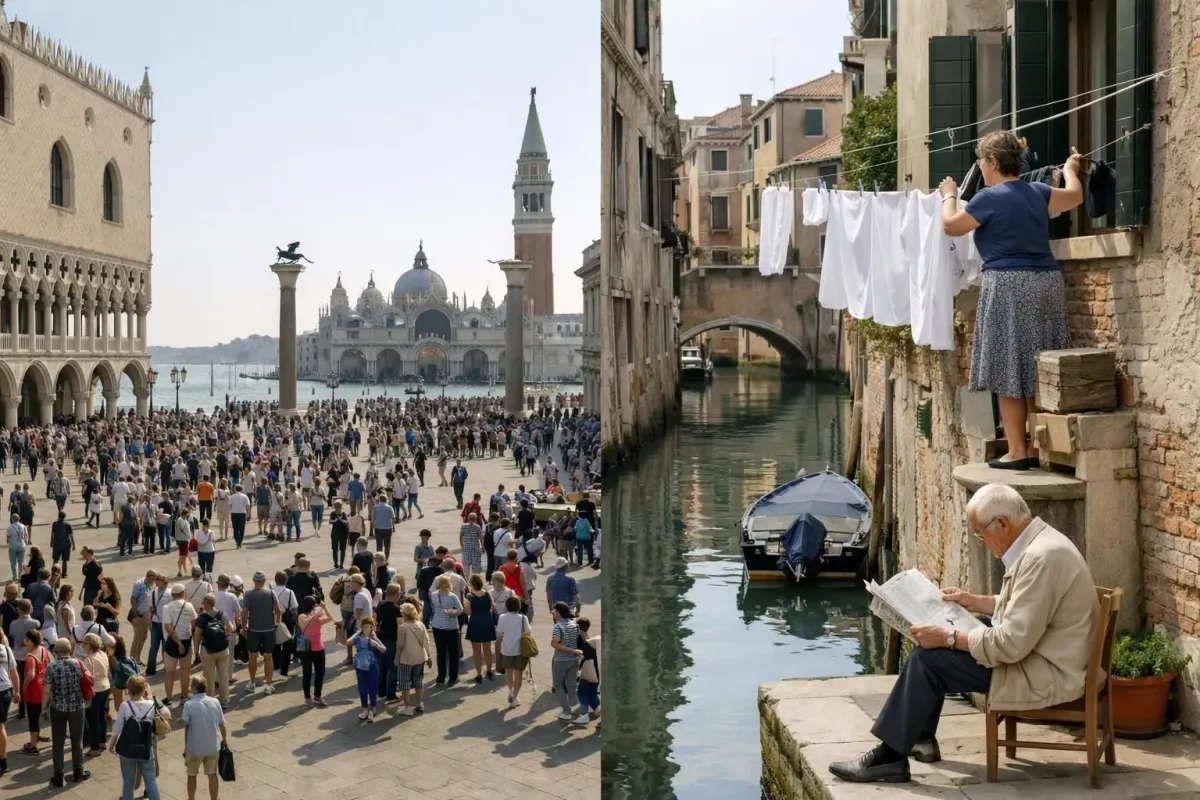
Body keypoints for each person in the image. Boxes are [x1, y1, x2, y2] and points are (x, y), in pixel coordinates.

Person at [828, 484, 1099, 784]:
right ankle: (920, 737)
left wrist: (947, 637)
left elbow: (1010, 645)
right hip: (1040, 652)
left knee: (927, 659)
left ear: (1003, 523)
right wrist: (973, 601)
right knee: (933, 650)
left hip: (1043, 669)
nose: (982, 542)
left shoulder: (1039, 559)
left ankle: (891, 757)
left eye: (981, 533)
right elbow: (1029, 609)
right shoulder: (1042, 542)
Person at [940, 132, 1084, 470]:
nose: (981, 168)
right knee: (1035, 367)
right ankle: (1037, 447)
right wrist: (1070, 168)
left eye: (982, 162)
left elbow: (951, 226)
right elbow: (1075, 196)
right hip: (1046, 283)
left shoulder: (988, 198)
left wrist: (950, 196)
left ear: (991, 163)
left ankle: (1018, 451)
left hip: (1007, 283)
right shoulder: (1038, 192)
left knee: (1008, 367)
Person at [109, 674, 165, 800]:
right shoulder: (151, 705)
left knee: (128, 782)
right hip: (146, 747)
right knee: (150, 779)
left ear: (128, 690)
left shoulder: (125, 706)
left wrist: (112, 745)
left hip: (127, 749)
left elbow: (117, 728)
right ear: (144, 689)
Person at [43, 638, 90, 787]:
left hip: (58, 707)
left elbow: (46, 690)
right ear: (70, 650)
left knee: (58, 742)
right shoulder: (79, 663)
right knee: (77, 741)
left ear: (56, 652)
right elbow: (88, 679)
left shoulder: (51, 667)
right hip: (77, 707)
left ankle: (58, 776)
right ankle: (78, 772)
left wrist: (43, 708)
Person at [181, 676, 228, 800]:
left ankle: (191, 798)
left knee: (191, 775)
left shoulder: (188, 704)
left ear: (194, 689)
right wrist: (225, 740)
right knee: (212, 774)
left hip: (194, 747)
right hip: (213, 745)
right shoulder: (215, 702)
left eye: (191, 686)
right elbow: (222, 724)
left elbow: (185, 723)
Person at [240, 571, 280, 694]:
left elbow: (244, 612)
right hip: (269, 630)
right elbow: (278, 610)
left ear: (254, 580)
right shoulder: (271, 593)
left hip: (253, 630)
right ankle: (268, 685)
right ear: (263, 581)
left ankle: (252, 683)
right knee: (268, 657)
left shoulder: (248, 594)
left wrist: (243, 626)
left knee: (253, 656)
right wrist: (276, 622)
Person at [193, 594, 234, 709]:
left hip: (208, 651)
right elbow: (231, 628)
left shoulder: (201, 618)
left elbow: (197, 636)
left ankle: (210, 700)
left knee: (208, 677)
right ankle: (224, 700)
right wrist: (225, 634)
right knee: (223, 675)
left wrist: (196, 651)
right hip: (222, 650)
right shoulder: (221, 614)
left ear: (206, 604)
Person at [162, 583, 198, 706]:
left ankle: (169, 698)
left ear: (172, 595)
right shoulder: (189, 606)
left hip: (172, 642)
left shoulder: (167, 608)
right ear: (183, 593)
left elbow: (168, 627)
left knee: (169, 672)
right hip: (186, 641)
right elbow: (194, 623)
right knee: (185, 671)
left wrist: (177, 642)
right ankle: (184, 697)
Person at [345, 615, 386, 721]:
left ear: (372, 627)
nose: (367, 629)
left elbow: (384, 649)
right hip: (360, 666)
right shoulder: (358, 637)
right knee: (362, 688)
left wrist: (376, 644)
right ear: (362, 627)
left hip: (372, 666)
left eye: (369, 626)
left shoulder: (373, 637)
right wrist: (356, 633)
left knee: (373, 687)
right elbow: (347, 642)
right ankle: (364, 708)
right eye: (365, 626)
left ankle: (373, 708)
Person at [394, 601, 432, 716]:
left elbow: (400, 645)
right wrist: (429, 656)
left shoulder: (402, 627)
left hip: (406, 659)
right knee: (418, 680)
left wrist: (396, 659)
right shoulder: (421, 625)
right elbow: (426, 642)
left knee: (404, 683)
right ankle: (420, 703)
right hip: (420, 657)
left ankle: (407, 707)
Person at [295, 595, 334, 708]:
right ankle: (307, 697)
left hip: (319, 647)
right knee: (307, 673)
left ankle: (317, 695)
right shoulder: (302, 616)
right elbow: (305, 623)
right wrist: (316, 614)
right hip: (306, 649)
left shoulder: (315, 616)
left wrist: (325, 607)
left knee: (320, 673)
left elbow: (330, 618)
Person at [495, 594, 531, 709]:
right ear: (518, 606)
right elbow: (528, 633)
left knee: (509, 672)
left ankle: (510, 691)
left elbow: (499, 635)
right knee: (519, 674)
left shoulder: (502, 617)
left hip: (506, 649)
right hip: (520, 650)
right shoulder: (523, 618)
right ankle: (515, 696)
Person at [80, 632, 112, 756]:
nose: (82, 645)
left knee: (93, 719)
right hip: (106, 687)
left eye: (84, 643)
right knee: (101, 716)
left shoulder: (88, 660)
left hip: (96, 690)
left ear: (89, 645)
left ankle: (94, 748)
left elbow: (86, 678)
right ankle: (102, 742)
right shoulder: (103, 654)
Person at [429, 574, 464, 687]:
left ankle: (441, 677)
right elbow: (460, 610)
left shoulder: (434, 595)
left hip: (437, 625)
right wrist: (452, 612)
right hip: (451, 627)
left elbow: (433, 608)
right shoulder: (452, 596)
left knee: (441, 652)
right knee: (453, 653)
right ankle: (453, 677)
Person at [21, 627, 50, 755]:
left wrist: (23, 689)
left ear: (31, 641)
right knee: (39, 714)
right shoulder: (44, 650)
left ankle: (33, 745)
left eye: (26, 639)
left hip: (34, 690)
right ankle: (37, 737)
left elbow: (31, 675)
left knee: (32, 718)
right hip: (43, 687)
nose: (25, 641)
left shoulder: (30, 657)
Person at [464, 574, 497, 684]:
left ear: (472, 584)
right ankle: (488, 670)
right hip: (487, 622)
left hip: (475, 623)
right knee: (487, 649)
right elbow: (493, 607)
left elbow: (468, 611)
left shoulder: (469, 596)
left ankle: (478, 674)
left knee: (477, 651)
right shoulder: (487, 593)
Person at [0, 626, 19, 778]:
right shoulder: (6, 650)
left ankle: (2, 760)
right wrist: (17, 691)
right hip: (6, 690)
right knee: (1, 726)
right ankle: (3, 760)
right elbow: (13, 672)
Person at [577, 617, 600, 723]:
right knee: (592, 692)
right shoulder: (596, 639)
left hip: (591, 670)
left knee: (582, 691)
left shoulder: (590, 641)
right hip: (597, 672)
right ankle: (597, 708)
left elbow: (585, 650)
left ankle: (584, 715)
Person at [6, 512, 28, 582]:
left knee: (13, 562)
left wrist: (8, 541)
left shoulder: (10, 527)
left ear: (12, 519)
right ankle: (20, 576)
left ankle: (15, 576)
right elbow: (26, 535)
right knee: (21, 562)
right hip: (21, 546)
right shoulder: (23, 526)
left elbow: (8, 538)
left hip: (13, 546)